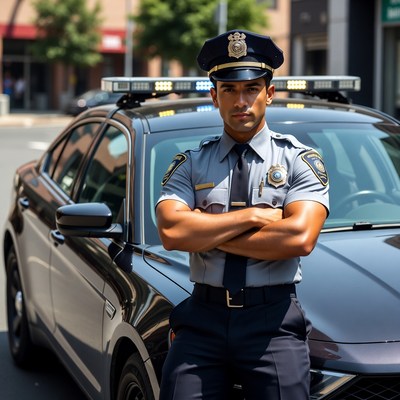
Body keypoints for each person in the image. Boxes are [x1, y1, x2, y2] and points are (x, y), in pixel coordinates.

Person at [156, 29, 329, 400]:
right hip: (203, 317)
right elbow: (171, 231)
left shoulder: (298, 160)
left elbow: (299, 238)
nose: (241, 101)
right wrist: (253, 216)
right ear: (214, 95)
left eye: (251, 88)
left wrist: (206, 232)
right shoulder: (190, 163)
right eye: (230, 90)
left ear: (269, 92)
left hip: (273, 321)